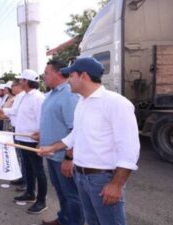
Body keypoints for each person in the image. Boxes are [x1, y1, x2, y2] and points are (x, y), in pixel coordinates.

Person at [37, 57, 140, 225]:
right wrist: (53, 148)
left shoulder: (116, 103)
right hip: (81, 177)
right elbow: (75, 135)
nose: (68, 80)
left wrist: (116, 184)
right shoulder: (82, 102)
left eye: (71, 76)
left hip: (103, 179)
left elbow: (129, 149)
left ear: (83, 76)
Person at [32, 60, 84, 225]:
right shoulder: (52, 94)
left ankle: (74, 222)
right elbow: (56, 121)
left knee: (72, 195)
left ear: (59, 73)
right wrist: (42, 134)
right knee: (61, 192)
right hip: (52, 155)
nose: (43, 77)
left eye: (46, 73)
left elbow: (74, 129)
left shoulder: (69, 95)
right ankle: (64, 219)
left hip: (62, 157)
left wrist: (69, 158)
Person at [0, 69, 47, 214]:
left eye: (21, 80)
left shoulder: (38, 98)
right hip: (21, 138)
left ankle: (41, 200)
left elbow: (43, 120)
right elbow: (15, 111)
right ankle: (30, 193)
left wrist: (41, 139)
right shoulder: (23, 96)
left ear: (28, 82)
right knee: (28, 168)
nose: (18, 83)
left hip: (32, 139)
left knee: (38, 170)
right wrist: (1, 111)